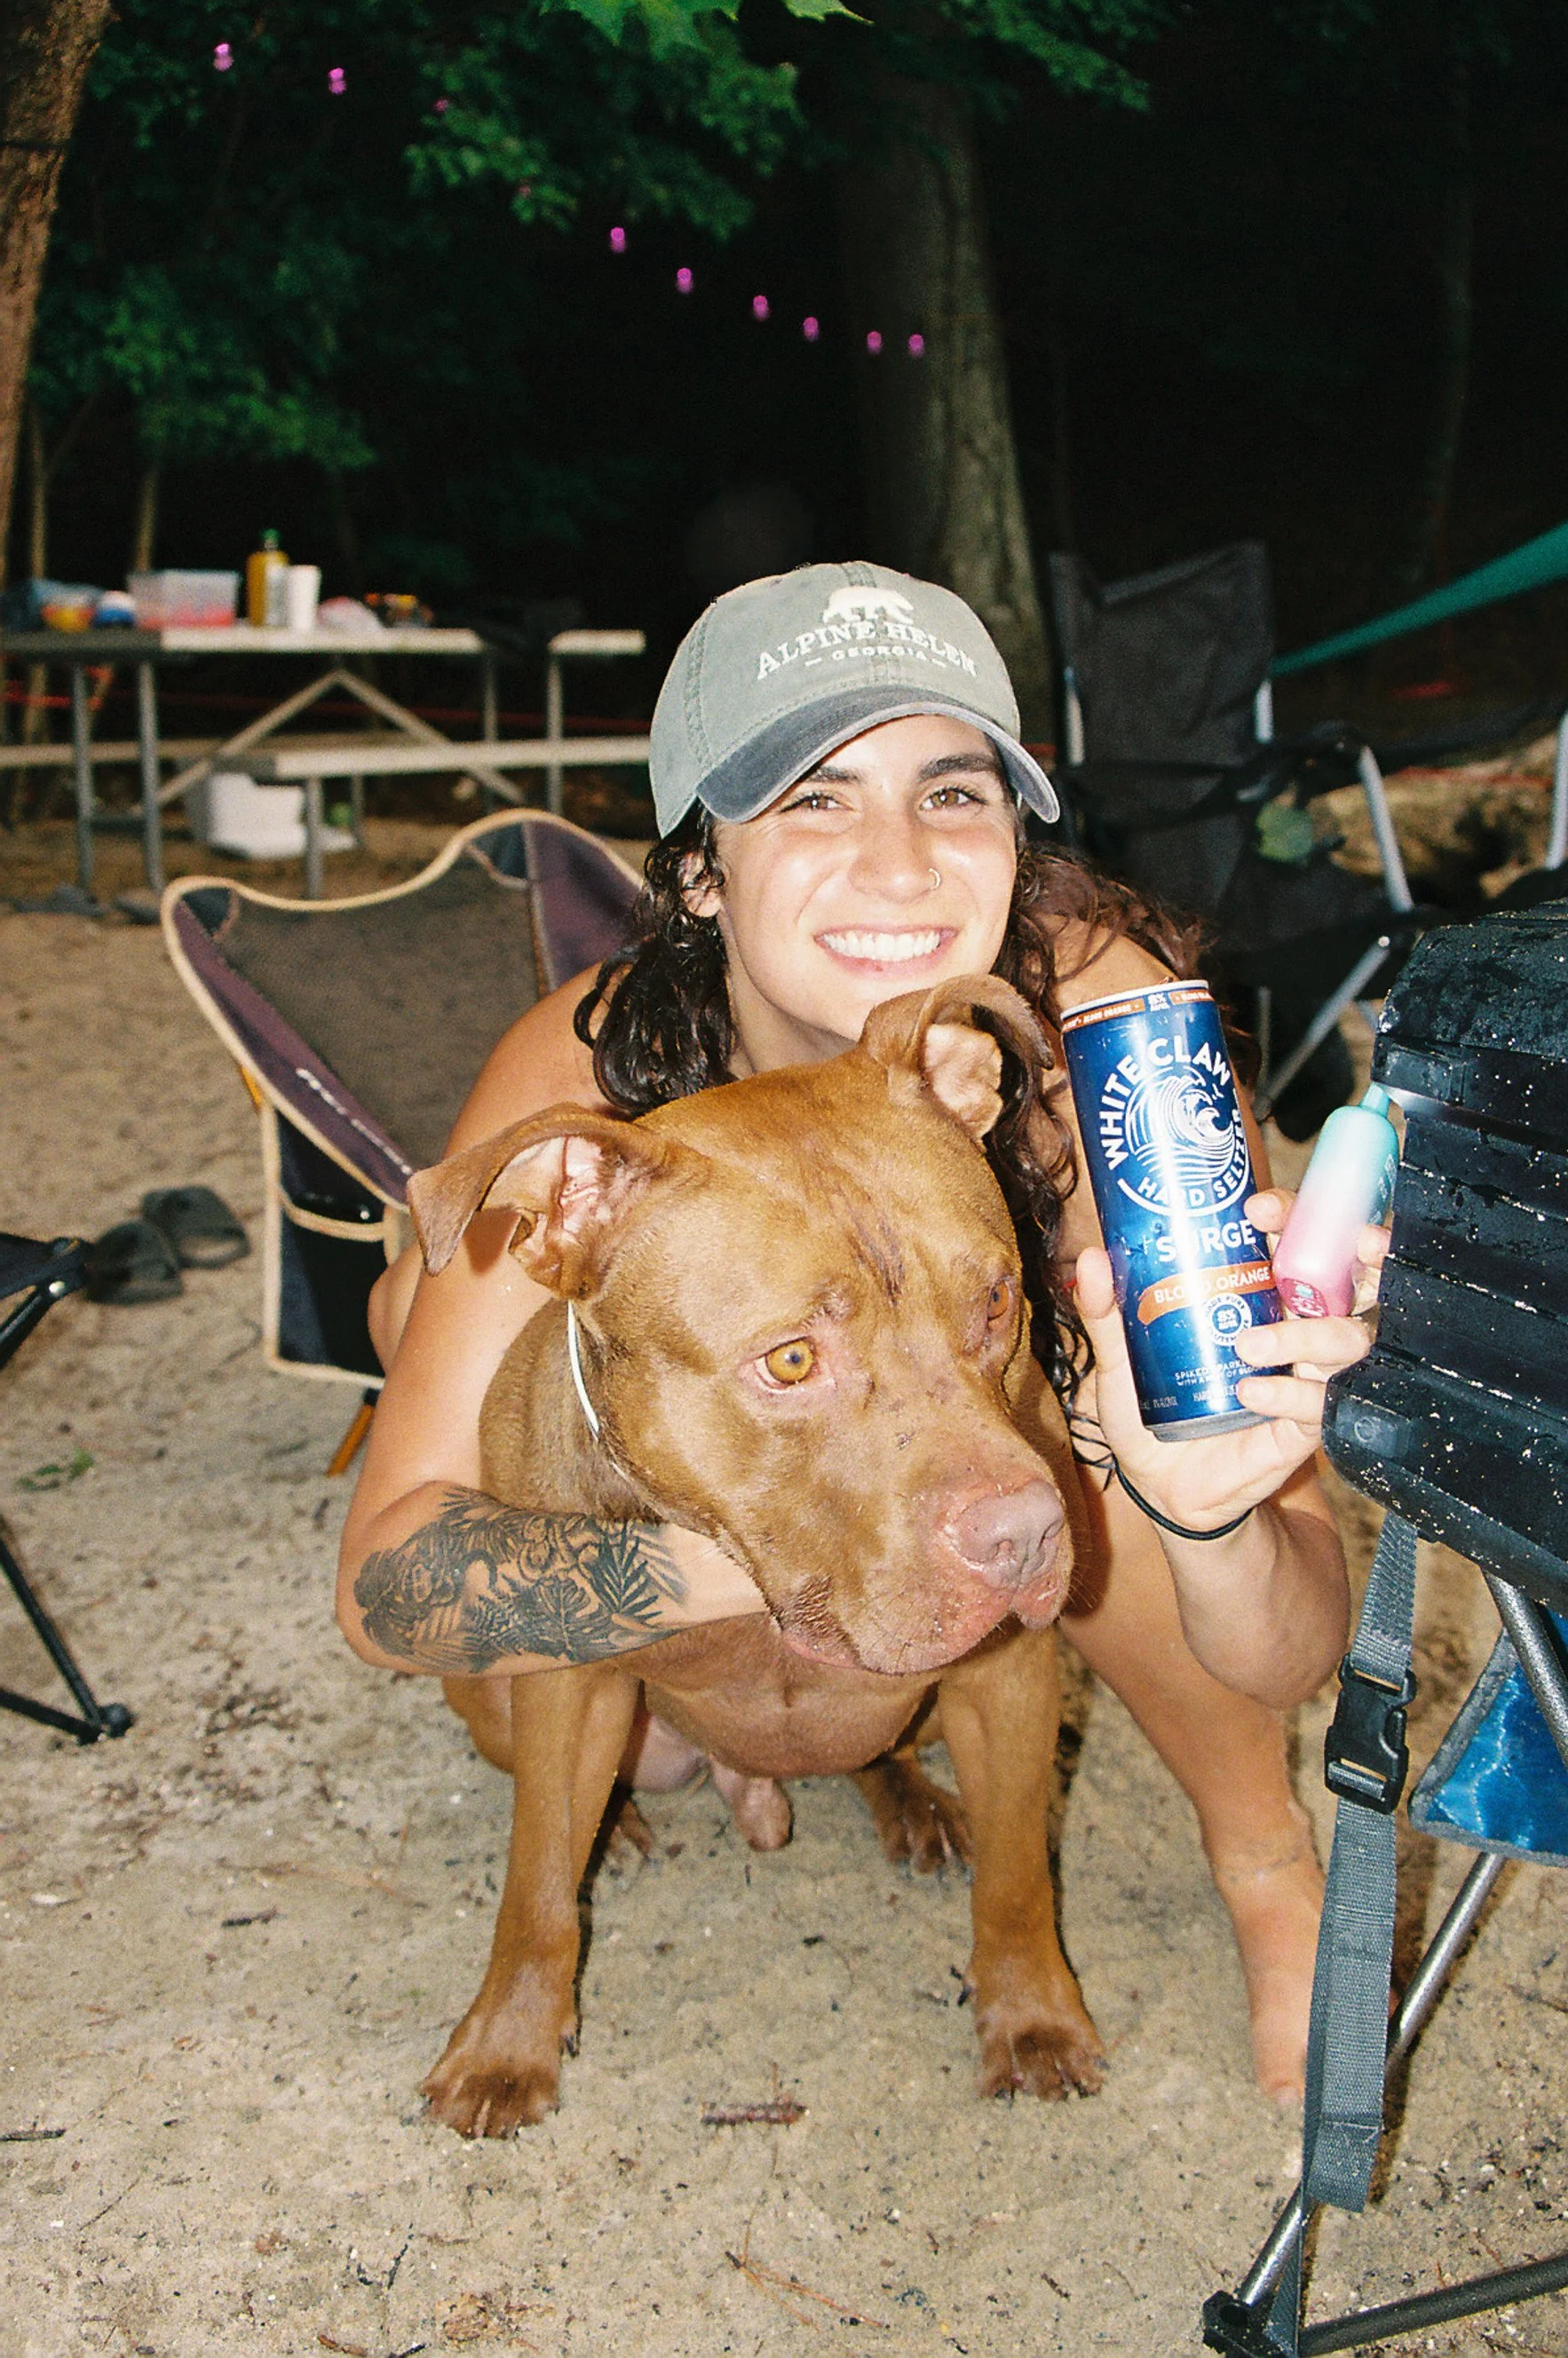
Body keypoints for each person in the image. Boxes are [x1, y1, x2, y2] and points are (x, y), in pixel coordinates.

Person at [338, 563, 1379, 2102]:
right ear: (698, 871)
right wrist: (740, 1572)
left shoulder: (1104, 1041)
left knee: (1097, 1446)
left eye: (951, 792)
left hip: (939, 1475)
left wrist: (1212, 1501)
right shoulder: (586, 1072)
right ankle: (747, 1736)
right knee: (528, 1568)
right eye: (815, 802)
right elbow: (388, 1587)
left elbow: (1290, 1646)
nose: (899, 866)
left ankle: (1263, 1856)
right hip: (688, 1492)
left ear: (1013, 838)